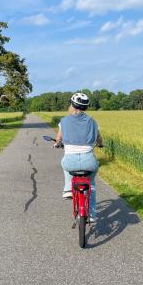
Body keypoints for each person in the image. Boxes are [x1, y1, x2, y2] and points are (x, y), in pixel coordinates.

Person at [54, 92, 103, 222]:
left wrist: (57, 143)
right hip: (89, 161)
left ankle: (68, 189)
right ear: (86, 107)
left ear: (72, 105)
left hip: (70, 160)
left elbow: (59, 138)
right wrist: (101, 144)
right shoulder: (93, 122)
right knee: (91, 185)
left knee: (64, 165)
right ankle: (91, 215)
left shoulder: (64, 121)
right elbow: (99, 138)